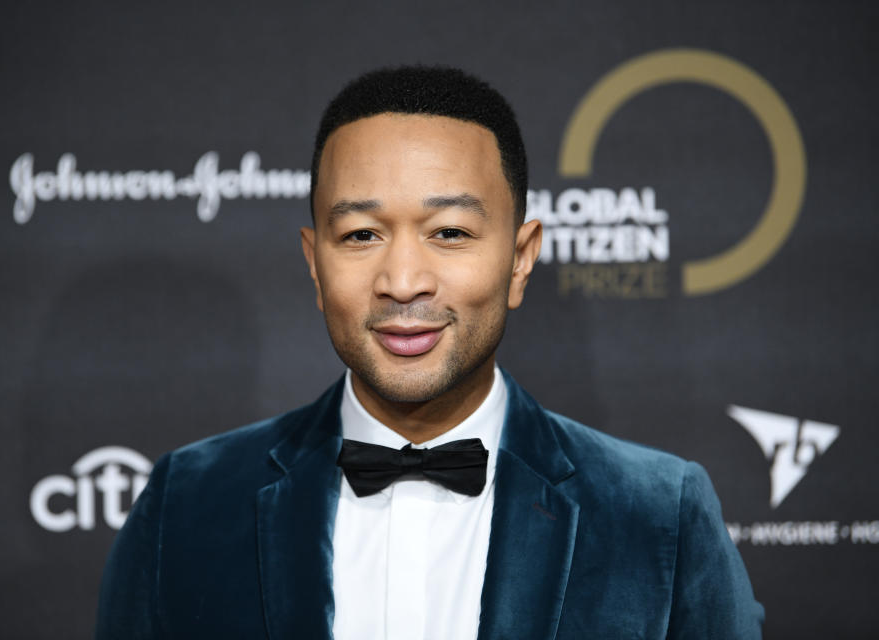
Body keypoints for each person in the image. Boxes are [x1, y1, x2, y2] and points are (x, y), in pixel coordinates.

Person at [96, 66, 764, 639]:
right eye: (361, 235)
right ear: (314, 263)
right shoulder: (187, 505)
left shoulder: (657, 516)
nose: (403, 281)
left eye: (449, 231)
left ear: (521, 260)